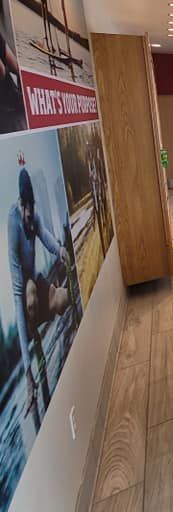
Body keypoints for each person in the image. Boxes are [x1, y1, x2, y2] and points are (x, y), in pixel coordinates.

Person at [8, 166, 69, 426]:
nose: (31, 215)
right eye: (27, 209)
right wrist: (28, 374)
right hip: (27, 300)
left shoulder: (34, 217)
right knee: (30, 291)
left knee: (63, 299)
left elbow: (46, 238)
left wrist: (61, 250)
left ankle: (52, 310)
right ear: (20, 204)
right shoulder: (13, 223)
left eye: (33, 207)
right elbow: (18, 292)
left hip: (40, 285)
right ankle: (37, 348)